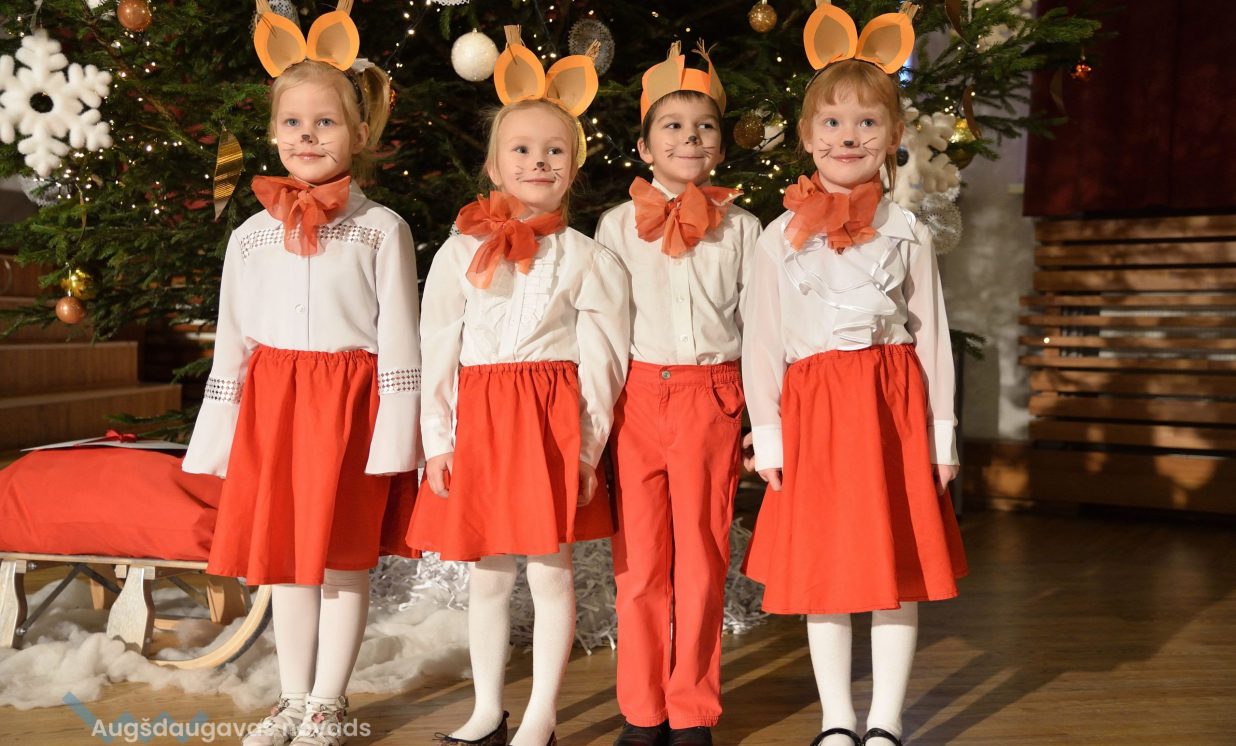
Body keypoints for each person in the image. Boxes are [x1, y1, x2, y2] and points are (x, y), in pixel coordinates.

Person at [182, 5, 421, 745]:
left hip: (349, 411)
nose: (308, 136)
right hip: (275, 411)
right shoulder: (250, 238)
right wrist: (220, 435)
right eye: (293, 122)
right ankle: (292, 698)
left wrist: (396, 437)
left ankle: (327, 703)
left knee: (343, 563)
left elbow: (401, 339)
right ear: (273, 132)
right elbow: (233, 341)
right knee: (286, 563)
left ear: (359, 134)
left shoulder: (381, 230)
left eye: (325, 122)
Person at [742, 5, 968, 745]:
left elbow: (932, 336)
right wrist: (768, 435)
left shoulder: (908, 233)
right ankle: (837, 719)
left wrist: (941, 437)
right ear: (807, 137)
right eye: (833, 123)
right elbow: (762, 342)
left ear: (894, 135)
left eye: (867, 123)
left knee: (896, 564)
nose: (849, 137)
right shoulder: (778, 237)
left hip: (891, 407)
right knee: (826, 568)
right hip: (815, 413)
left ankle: (886, 721)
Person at [405, 27, 630, 746]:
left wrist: (587, 450)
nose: (538, 161)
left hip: (546, 426)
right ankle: (486, 709)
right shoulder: (459, 249)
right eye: (523, 150)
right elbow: (438, 344)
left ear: (574, 166)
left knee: (550, 572)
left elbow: (603, 362)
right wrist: (437, 439)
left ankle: (542, 714)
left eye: (555, 151)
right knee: (490, 575)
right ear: (494, 164)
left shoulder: (588, 260)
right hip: (480, 422)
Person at [593, 41, 761, 746]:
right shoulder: (614, 226)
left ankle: (691, 708)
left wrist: (760, 420)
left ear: (719, 145)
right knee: (638, 565)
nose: (690, 137)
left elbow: (759, 328)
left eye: (704, 126)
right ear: (643, 146)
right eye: (673, 125)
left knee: (701, 558)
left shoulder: (744, 229)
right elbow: (602, 330)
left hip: (711, 400)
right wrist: (596, 423)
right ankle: (642, 711)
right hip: (637, 398)